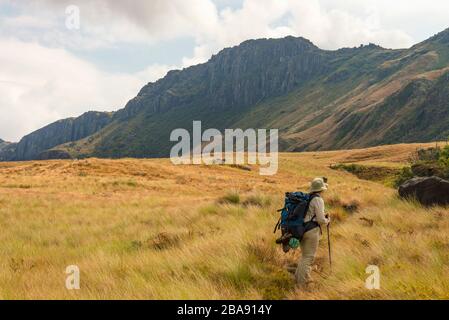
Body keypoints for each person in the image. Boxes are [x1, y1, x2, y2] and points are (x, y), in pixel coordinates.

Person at [295, 177, 330, 287]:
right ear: (321, 189)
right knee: (309, 257)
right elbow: (320, 220)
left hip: (302, 230)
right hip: (312, 231)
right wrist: (327, 220)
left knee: (305, 256)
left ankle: (298, 277)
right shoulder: (318, 199)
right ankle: (301, 284)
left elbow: (310, 214)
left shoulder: (308, 198)